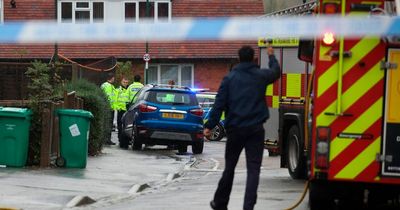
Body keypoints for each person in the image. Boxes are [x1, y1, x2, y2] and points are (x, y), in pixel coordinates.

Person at [204, 45, 280, 210]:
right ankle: (248, 206)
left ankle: (220, 203)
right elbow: (275, 72)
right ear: (253, 58)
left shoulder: (229, 79)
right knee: (253, 170)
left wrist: (209, 125)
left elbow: (219, 104)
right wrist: (272, 56)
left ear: (239, 58)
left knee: (229, 168)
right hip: (255, 130)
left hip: (235, 129)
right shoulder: (260, 76)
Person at [101, 72, 116, 145]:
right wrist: (111, 107)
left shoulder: (103, 85)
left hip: (105, 107)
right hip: (109, 108)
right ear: (112, 78)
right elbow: (109, 97)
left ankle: (104, 139)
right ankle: (107, 139)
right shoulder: (109, 86)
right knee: (109, 124)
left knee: (105, 123)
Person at [115, 77, 130, 149]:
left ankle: (125, 140)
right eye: (124, 82)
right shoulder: (118, 90)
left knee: (126, 126)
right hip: (121, 110)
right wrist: (117, 108)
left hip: (127, 110)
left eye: (126, 82)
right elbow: (115, 99)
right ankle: (120, 139)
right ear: (121, 82)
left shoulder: (129, 90)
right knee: (120, 126)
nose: (125, 84)